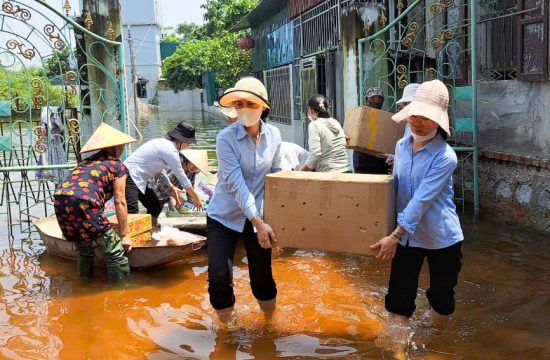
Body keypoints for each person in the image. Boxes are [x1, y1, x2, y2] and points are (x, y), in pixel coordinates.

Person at [370, 79, 464, 330]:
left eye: (425, 116)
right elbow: (397, 189)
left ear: (439, 120)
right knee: (399, 299)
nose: (416, 121)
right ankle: (398, 353)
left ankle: (439, 342)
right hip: (406, 238)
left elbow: (421, 199)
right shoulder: (401, 146)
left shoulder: (445, 157)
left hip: (441, 238)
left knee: (441, 298)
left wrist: (395, 234)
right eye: (414, 113)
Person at [206, 77, 281, 324]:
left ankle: (269, 322)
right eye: (238, 104)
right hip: (224, 216)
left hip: (258, 216)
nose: (243, 109)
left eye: (249, 103)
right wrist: (258, 221)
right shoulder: (225, 138)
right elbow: (234, 183)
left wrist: (277, 225)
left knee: (261, 277)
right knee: (218, 277)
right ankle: (228, 327)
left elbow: (277, 179)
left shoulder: (274, 135)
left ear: (263, 107)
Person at [53, 123, 137, 282]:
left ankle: (84, 285)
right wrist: (125, 235)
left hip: (60, 200)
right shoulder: (118, 166)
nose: (123, 150)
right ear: (116, 147)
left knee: (84, 248)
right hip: (84, 203)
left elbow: (72, 191)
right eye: (122, 146)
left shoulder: (85, 163)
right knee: (115, 250)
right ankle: (120, 295)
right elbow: (120, 201)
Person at [124, 122, 203, 226]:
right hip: (129, 175)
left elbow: (159, 171)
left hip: (140, 179)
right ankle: (130, 240)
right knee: (132, 212)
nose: (188, 146)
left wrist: (171, 186)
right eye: (188, 143)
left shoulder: (162, 143)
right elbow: (182, 178)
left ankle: (150, 230)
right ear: (181, 141)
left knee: (154, 206)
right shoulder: (171, 151)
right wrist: (196, 197)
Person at [301, 94, 350, 173]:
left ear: (311, 110)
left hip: (330, 174)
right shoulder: (335, 122)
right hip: (346, 170)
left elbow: (315, 154)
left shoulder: (314, 125)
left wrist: (300, 172)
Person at [352, 87, 389, 174]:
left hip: (380, 162)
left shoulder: (385, 119)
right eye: (372, 99)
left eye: (379, 100)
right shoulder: (360, 115)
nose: (376, 102)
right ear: (366, 100)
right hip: (362, 161)